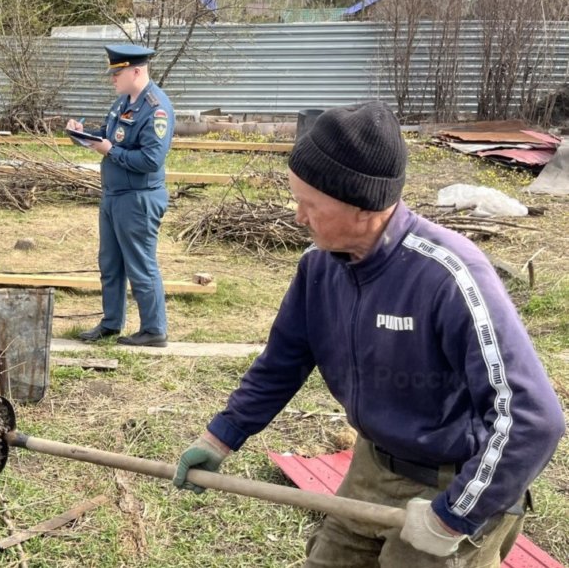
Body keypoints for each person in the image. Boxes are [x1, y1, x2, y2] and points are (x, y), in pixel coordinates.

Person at [172, 101, 565, 567]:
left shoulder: (450, 277)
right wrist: (221, 437)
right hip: (372, 467)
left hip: (453, 478)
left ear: (364, 206)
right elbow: (282, 363)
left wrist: (454, 516)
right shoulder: (319, 267)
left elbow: (532, 419)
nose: (299, 217)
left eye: (311, 204)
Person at [67, 44, 175, 348]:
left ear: (136, 71)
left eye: (118, 72)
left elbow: (150, 160)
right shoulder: (123, 103)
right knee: (110, 263)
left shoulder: (157, 108)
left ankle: (154, 329)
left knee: (140, 264)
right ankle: (111, 322)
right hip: (114, 196)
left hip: (138, 199)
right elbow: (108, 135)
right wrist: (82, 134)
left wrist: (110, 151)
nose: (112, 78)